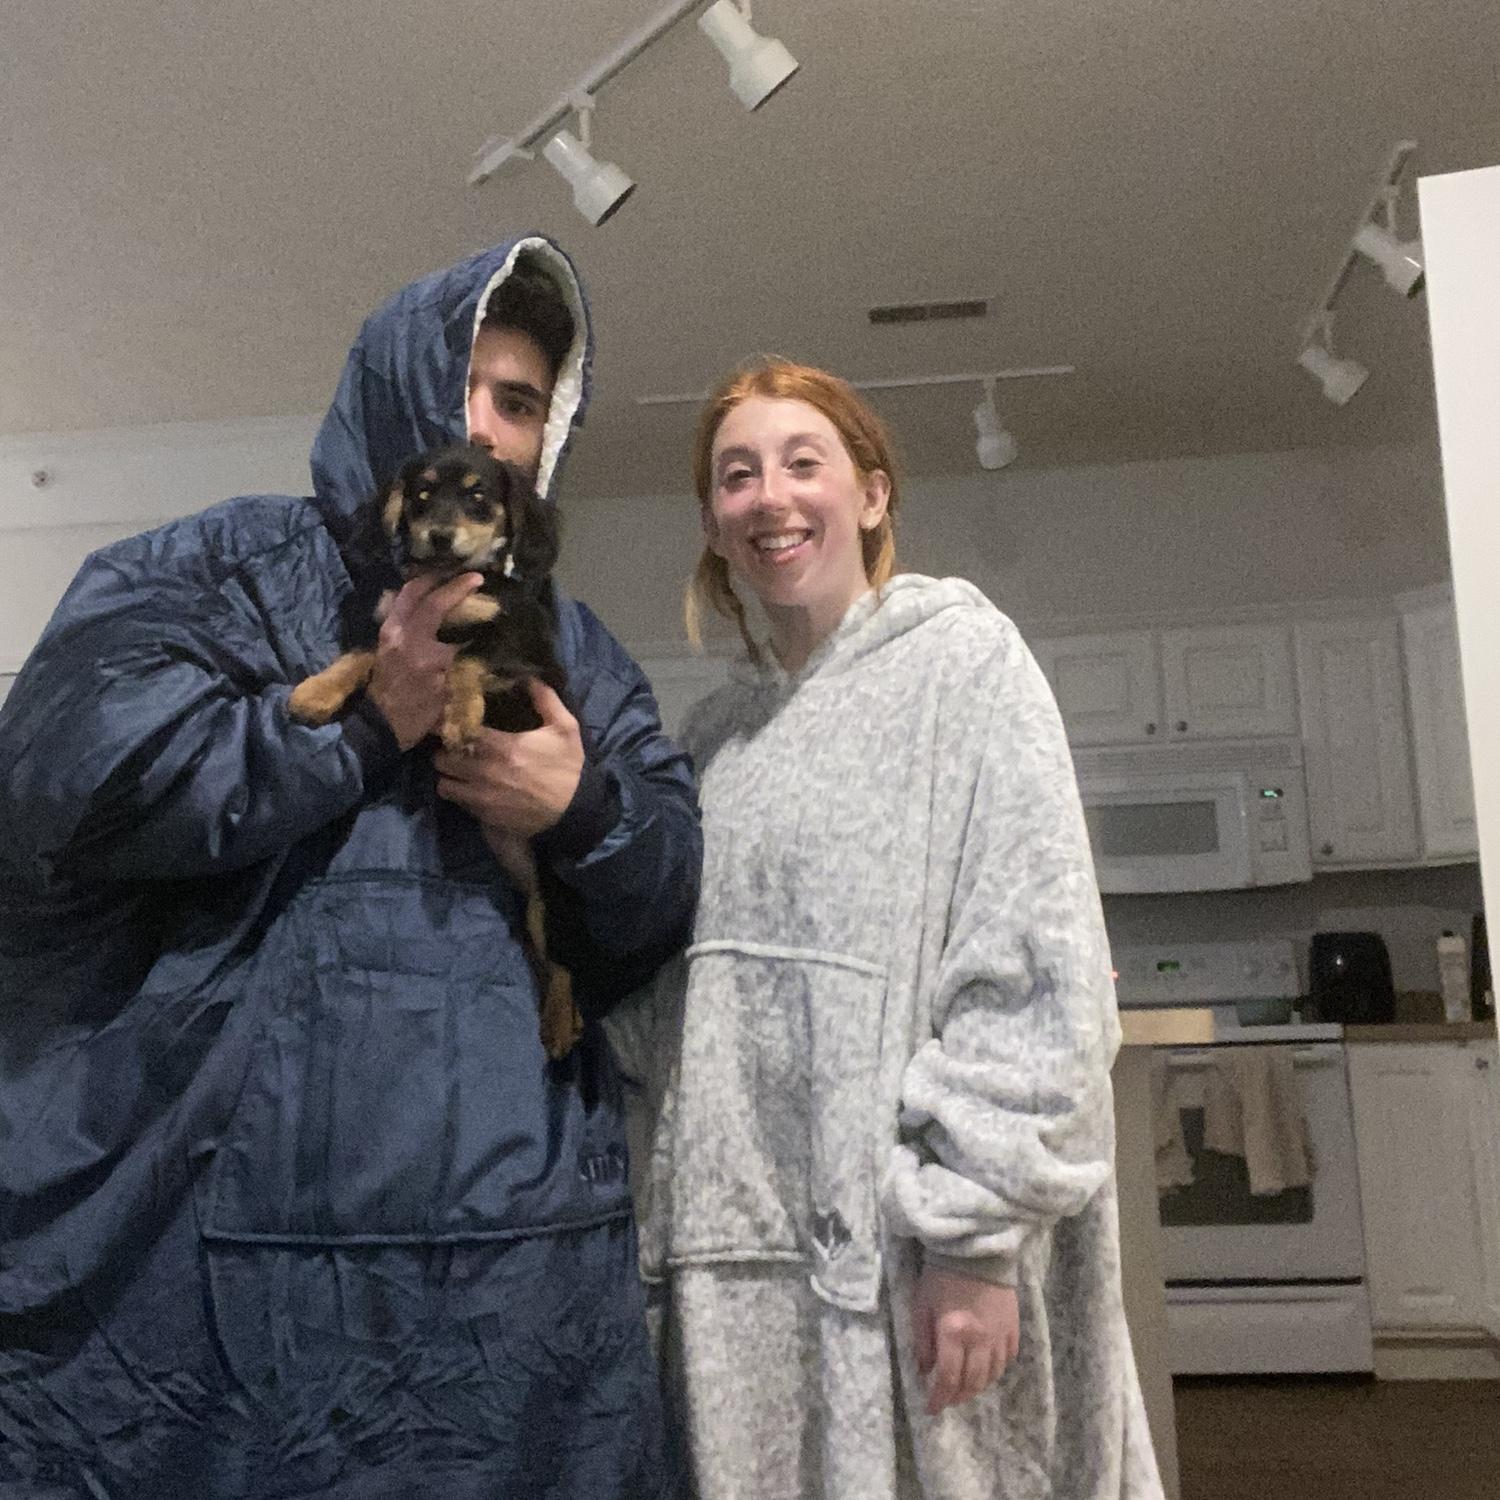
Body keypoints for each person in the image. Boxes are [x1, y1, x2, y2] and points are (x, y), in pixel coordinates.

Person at [0, 237, 701, 1499]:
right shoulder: (217, 571)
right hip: (204, 1265)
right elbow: (64, 786)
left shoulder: (576, 649)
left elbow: (661, 893)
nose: (485, 424)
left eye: (521, 402)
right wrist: (364, 728)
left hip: (509, 1262)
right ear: (397, 386)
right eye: (466, 383)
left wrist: (580, 808)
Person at [610, 359, 1164, 1499]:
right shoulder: (709, 745)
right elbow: (674, 1015)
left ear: (870, 495)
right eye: (737, 475)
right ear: (713, 525)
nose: (770, 495)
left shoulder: (965, 667)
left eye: (801, 462)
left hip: (916, 1274)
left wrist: (972, 1240)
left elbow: (1035, 963)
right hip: (742, 1289)